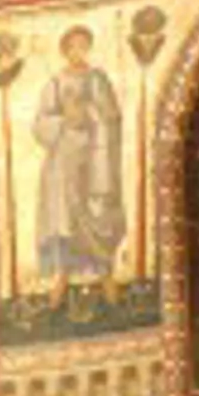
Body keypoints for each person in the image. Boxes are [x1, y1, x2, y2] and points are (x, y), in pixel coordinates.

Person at [33, 24, 126, 283]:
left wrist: (87, 113)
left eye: (83, 46)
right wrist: (64, 120)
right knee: (63, 211)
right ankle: (62, 274)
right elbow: (40, 124)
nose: (78, 51)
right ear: (65, 50)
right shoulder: (54, 83)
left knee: (94, 208)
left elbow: (112, 115)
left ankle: (100, 270)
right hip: (63, 157)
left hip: (95, 155)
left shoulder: (97, 79)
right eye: (73, 46)